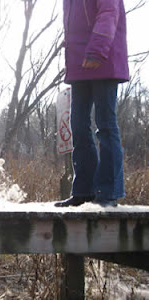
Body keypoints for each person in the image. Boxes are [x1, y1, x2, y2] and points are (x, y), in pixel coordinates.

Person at [55, 0, 129, 208]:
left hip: (102, 58)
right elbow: (80, 22)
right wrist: (70, 42)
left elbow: (108, 12)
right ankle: (84, 190)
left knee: (105, 125)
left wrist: (96, 49)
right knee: (78, 125)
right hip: (80, 62)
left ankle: (108, 191)